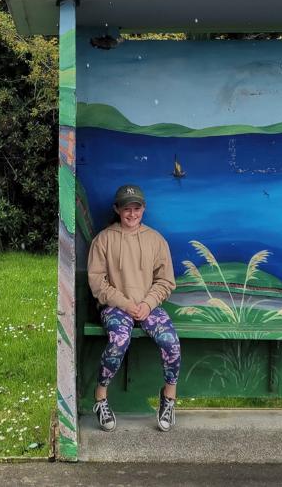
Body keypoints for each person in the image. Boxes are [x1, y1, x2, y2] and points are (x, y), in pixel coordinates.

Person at [87, 184, 181, 432]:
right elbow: (97, 283)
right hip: (116, 307)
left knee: (170, 341)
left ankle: (169, 398)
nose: (132, 214)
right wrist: (127, 304)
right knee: (119, 340)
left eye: (136, 208)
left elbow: (165, 280)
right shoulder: (103, 240)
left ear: (143, 209)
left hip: (147, 306)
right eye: (126, 208)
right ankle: (100, 397)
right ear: (117, 209)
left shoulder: (155, 240)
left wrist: (148, 304)